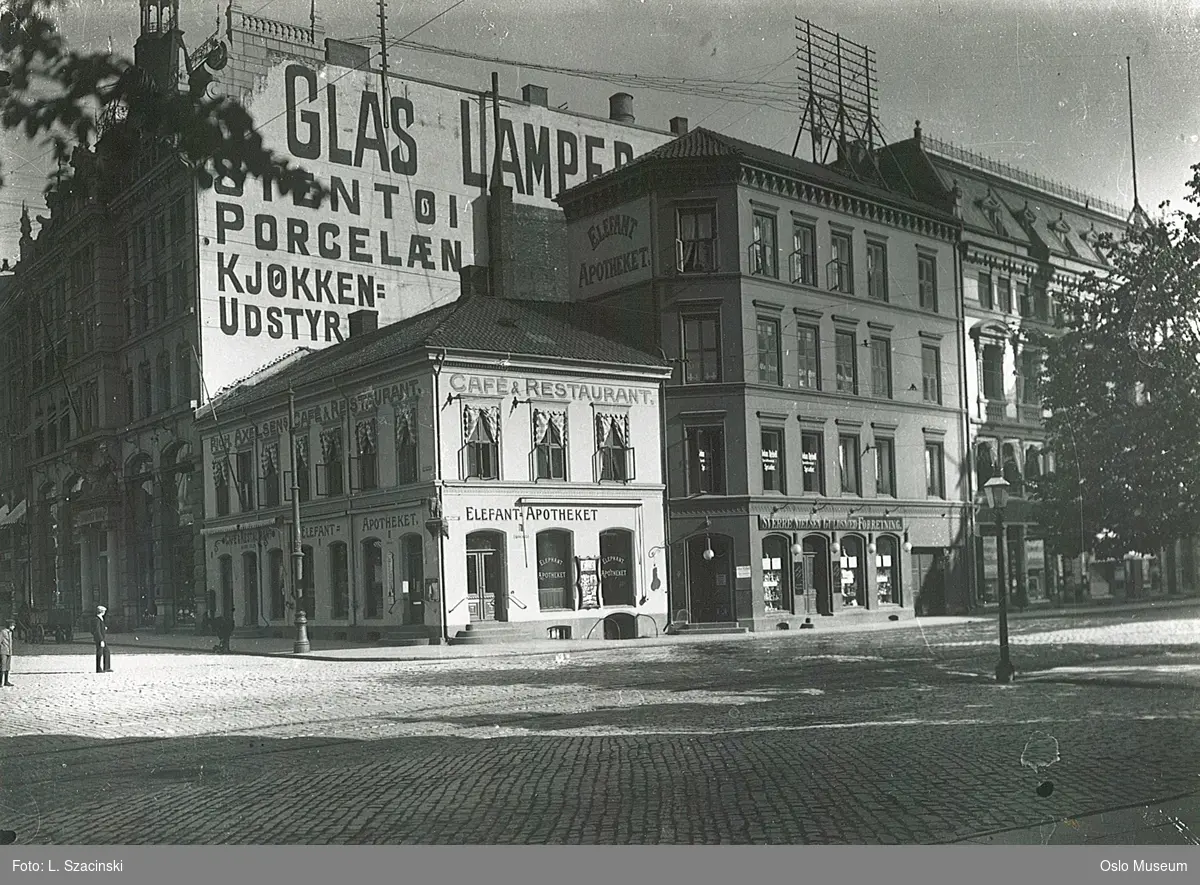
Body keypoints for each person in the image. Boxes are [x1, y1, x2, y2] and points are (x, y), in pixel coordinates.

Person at [91, 605, 112, 673]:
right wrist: (101, 640)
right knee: (99, 653)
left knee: (106, 651)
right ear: (102, 612)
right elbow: (97, 630)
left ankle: (106, 667)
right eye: (104, 611)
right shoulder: (97, 619)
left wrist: (104, 628)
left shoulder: (99, 618)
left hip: (102, 638)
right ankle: (99, 668)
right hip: (100, 639)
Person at [0, 618, 15, 687]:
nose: (14, 627)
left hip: (9, 651)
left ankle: (6, 681)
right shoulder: (3, 632)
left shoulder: (10, 632)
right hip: (3, 651)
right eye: (13, 625)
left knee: (7, 667)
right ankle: (0, 682)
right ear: (9, 625)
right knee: (2, 667)